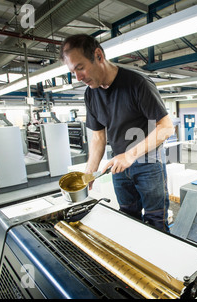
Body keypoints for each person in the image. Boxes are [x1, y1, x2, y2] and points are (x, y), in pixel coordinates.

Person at [59, 34, 174, 232]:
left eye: (80, 67)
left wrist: (130, 155)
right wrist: (89, 174)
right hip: (118, 166)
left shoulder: (137, 83)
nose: (78, 78)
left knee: (156, 220)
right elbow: (98, 136)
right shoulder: (90, 94)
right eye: (72, 71)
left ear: (98, 56)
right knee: (128, 217)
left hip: (148, 163)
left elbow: (166, 127)